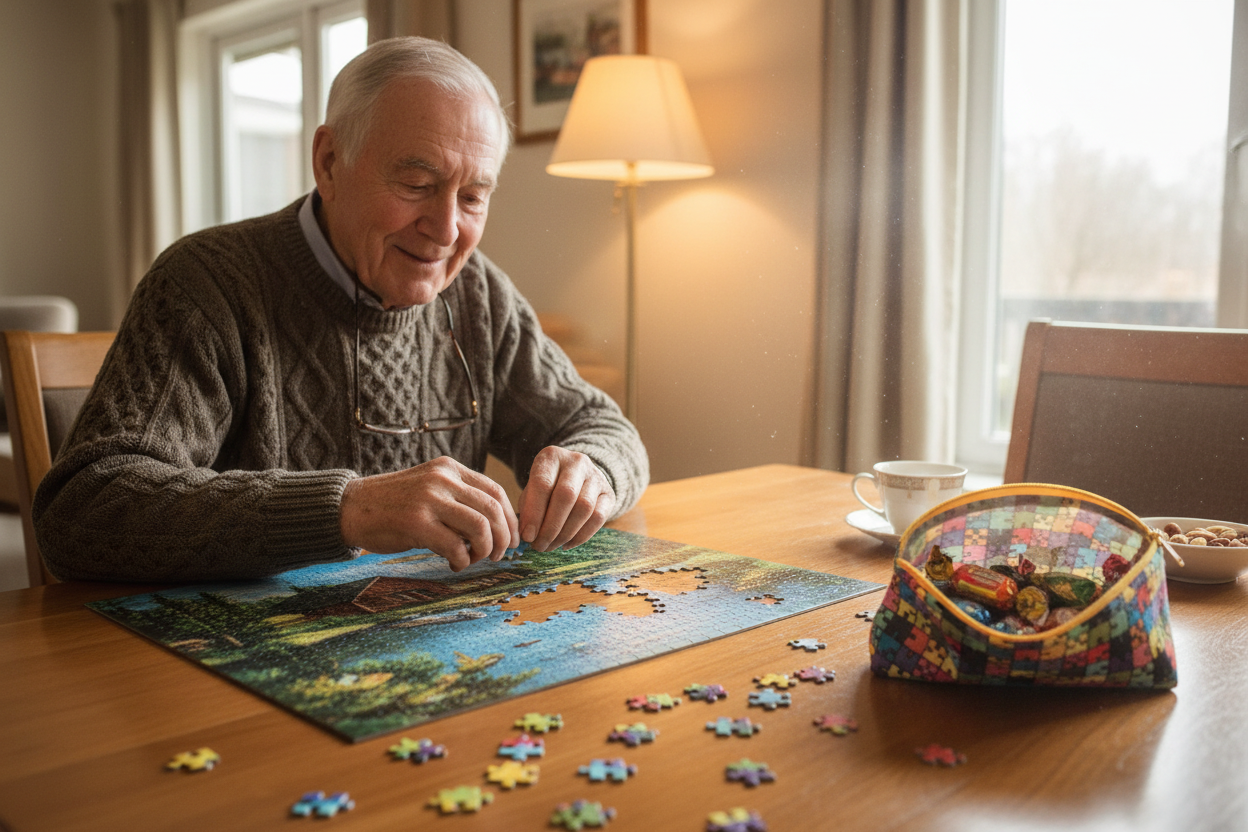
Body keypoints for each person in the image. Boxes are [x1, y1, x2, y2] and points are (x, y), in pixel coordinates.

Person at [33, 36, 648, 583]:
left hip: (435, 643)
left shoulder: (479, 294)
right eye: (416, 185)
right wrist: (347, 509)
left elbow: (605, 428)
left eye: (472, 197)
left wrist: (592, 471)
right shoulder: (205, 284)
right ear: (329, 163)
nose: (445, 230)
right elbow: (81, 510)